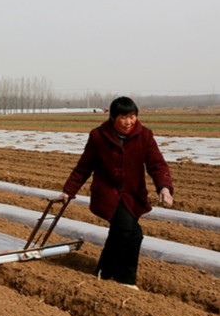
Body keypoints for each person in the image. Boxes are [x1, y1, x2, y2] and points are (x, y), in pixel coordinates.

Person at [59, 96, 173, 290]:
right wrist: (68, 191)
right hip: (107, 194)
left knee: (119, 233)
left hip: (132, 195)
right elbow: (84, 167)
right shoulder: (98, 136)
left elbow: (157, 164)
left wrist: (164, 187)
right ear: (112, 117)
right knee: (133, 233)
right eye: (124, 117)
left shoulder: (144, 135)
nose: (129, 122)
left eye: (132, 116)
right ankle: (126, 279)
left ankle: (103, 271)